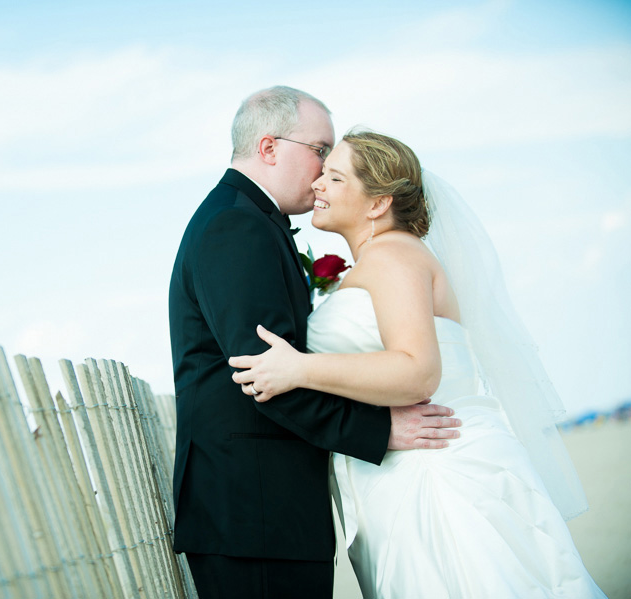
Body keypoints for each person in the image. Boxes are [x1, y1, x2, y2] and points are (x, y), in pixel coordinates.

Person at [229, 129, 605, 598]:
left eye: (336, 178)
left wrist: (299, 369)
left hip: (435, 474)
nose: (318, 185)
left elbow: (417, 372)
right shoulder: (386, 257)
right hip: (413, 463)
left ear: (377, 204)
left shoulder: (391, 256)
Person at [168, 87, 461, 598]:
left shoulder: (250, 220)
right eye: (321, 150)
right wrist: (380, 430)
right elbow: (261, 372)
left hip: (264, 511)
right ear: (268, 148)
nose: (325, 170)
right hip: (252, 511)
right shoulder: (237, 226)